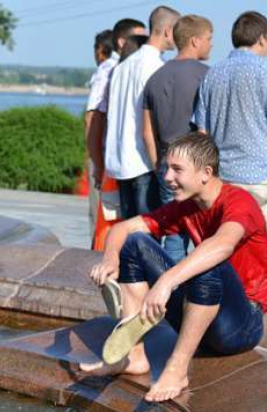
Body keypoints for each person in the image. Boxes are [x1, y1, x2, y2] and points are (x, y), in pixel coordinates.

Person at [84, 133, 267, 403]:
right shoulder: (187, 207)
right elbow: (125, 229)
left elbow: (223, 244)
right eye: (167, 168)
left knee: (208, 262)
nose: (168, 177)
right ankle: (132, 356)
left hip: (240, 326)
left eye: (177, 169)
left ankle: (177, 369)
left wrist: (166, 281)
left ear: (206, 173)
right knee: (135, 244)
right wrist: (110, 259)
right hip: (199, 313)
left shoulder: (239, 203)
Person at [192, 11, 267, 276]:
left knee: (234, 253)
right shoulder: (266, 69)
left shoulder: (213, 74)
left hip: (224, 181)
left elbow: (202, 133)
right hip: (259, 179)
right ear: (262, 39)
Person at [143, 14, 213, 262]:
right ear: (194, 41)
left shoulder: (155, 77)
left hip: (166, 161)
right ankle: (180, 292)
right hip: (195, 163)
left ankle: (168, 283)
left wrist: (157, 164)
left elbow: (147, 131)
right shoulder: (207, 75)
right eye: (208, 38)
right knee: (205, 233)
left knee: (174, 230)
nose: (211, 44)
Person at [105, 6, 180, 220]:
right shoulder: (156, 66)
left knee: (130, 231)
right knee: (147, 233)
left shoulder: (121, 67)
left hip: (120, 158)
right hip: (143, 159)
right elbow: (158, 118)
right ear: (167, 31)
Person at [89, 18, 147, 251]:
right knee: (106, 221)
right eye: (141, 39)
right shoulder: (109, 70)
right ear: (123, 41)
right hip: (109, 161)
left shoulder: (127, 68)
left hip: (120, 160)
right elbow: (93, 117)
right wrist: (98, 163)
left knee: (120, 223)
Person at [85, 29, 115, 234]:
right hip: (119, 155)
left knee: (99, 216)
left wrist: (96, 163)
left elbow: (92, 118)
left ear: (100, 50)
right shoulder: (122, 68)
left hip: (102, 153)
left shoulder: (104, 71)